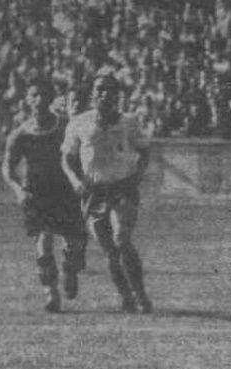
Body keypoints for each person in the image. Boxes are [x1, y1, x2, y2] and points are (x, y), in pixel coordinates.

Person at [61, 73, 153, 314]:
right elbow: (68, 158)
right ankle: (127, 297)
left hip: (122, 188)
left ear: (118, 94)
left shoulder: (129, 122)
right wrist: (74, 181)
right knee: (111, 250)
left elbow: (145, 151)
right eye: (100, 89)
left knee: (121, 239)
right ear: (93, 94)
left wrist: (138, 174)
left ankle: (141, 295)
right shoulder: (79, 122)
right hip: (93, 192)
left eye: (111, 90)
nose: (105, 94)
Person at [2, 78, 88, 312]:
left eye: (42, 95)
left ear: (50, 99)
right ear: (27, 99)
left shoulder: (65, 127)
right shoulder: (21, 134)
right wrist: (18, 189)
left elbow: (81, 153)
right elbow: (7, 168)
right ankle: (50, 293)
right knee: (43, 243)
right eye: (33, 95)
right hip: (37, 193)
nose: (38, 100)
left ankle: (70, 270)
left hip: (66, 192)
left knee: (73, 244)